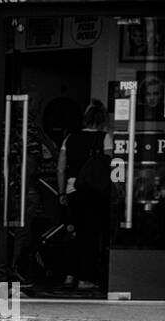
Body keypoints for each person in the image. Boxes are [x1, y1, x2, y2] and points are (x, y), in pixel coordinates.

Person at [57, 100, 114, 293]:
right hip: (94, 192)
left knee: (73, 233)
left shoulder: (70, 138)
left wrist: (62, 192)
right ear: (103, 119)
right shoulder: (105, 138)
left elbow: (60, 168)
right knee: (90, 235)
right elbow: (109, 166)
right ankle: (85, 278)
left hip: (73, 190)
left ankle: (69, 275)